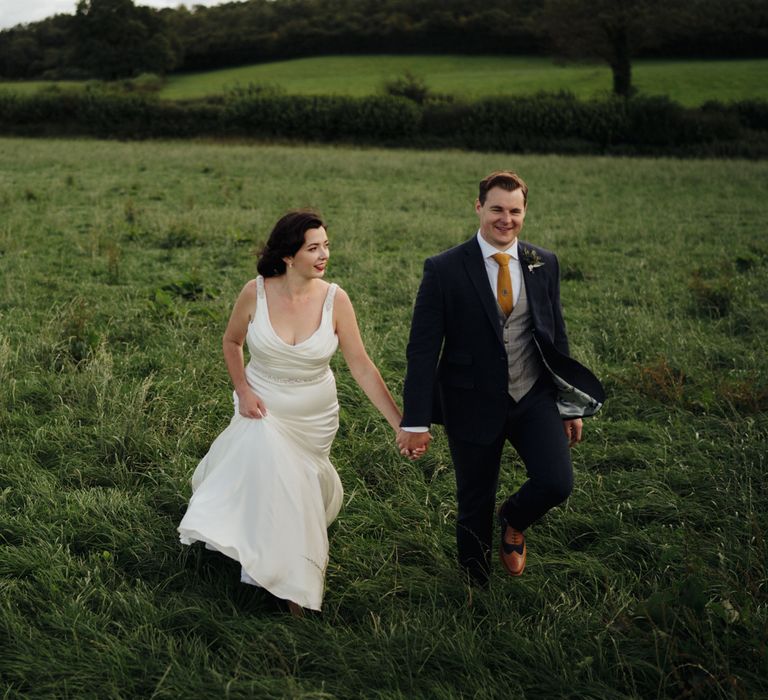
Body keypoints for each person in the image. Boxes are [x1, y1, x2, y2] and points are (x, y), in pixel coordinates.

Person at [179, 210, 410, 615]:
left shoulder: (336, 299)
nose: (324, 256)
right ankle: (290, 586)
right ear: (288, 256)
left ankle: (275, 553)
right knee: (272, 473)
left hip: (314, 415)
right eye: (313, 248)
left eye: (326, 246)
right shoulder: (256, 292)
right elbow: (232, 342)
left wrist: (401, 424)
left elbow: (361, 365)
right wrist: (243, 390)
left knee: (296, 485)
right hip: (261, 405)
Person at [396, 171, 604, 586]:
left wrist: (568, 404)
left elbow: (556, 335)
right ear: (478, 208)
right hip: (470, 400)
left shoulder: (544, 262)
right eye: (496, 209)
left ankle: (513, 517)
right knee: (474, 503)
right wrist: (415, 421)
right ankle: (476, 589)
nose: (505, 219)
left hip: (533, 396)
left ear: (524, 212)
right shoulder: (444, 269)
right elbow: (422, 350)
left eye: (514, 210)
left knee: (556, 481)